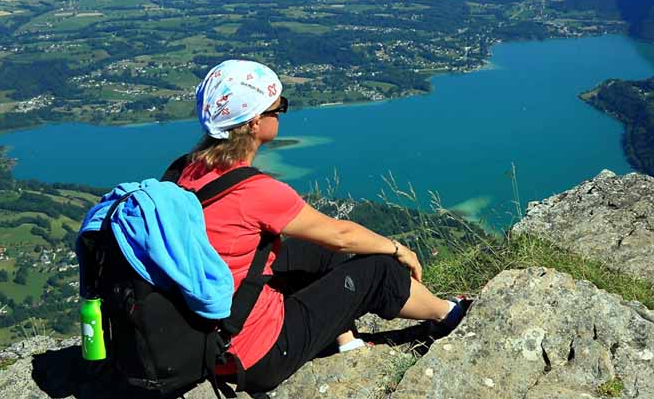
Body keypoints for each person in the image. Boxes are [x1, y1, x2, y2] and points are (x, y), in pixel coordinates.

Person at [177, 60, 467, 392]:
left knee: (315, 252)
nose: (281, 113)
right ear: (255, 122)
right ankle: (451, 315)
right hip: (258, 353)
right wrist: (400, 249)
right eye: (278, 108)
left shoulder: (188, 170)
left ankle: (346, 342)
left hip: (208, 329)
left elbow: (327, 242)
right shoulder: (254, 191)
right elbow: (342, 236)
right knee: (379, 270)